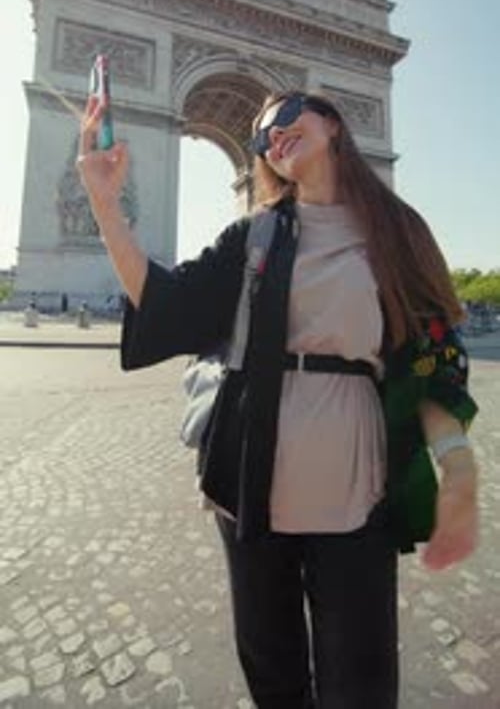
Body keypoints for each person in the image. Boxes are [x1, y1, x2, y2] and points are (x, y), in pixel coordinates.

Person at [77, 90, 478, 709]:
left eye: (287, 116)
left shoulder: (398, 231)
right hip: (248, 482)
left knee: (361, 680)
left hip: (357, 485)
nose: (272, 134)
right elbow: (168, 301)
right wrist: (105, 204)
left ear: (335, 124)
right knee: (271, 668)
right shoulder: (253, 234)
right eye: (261, 134)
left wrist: (459, 472)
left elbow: (431, 365)